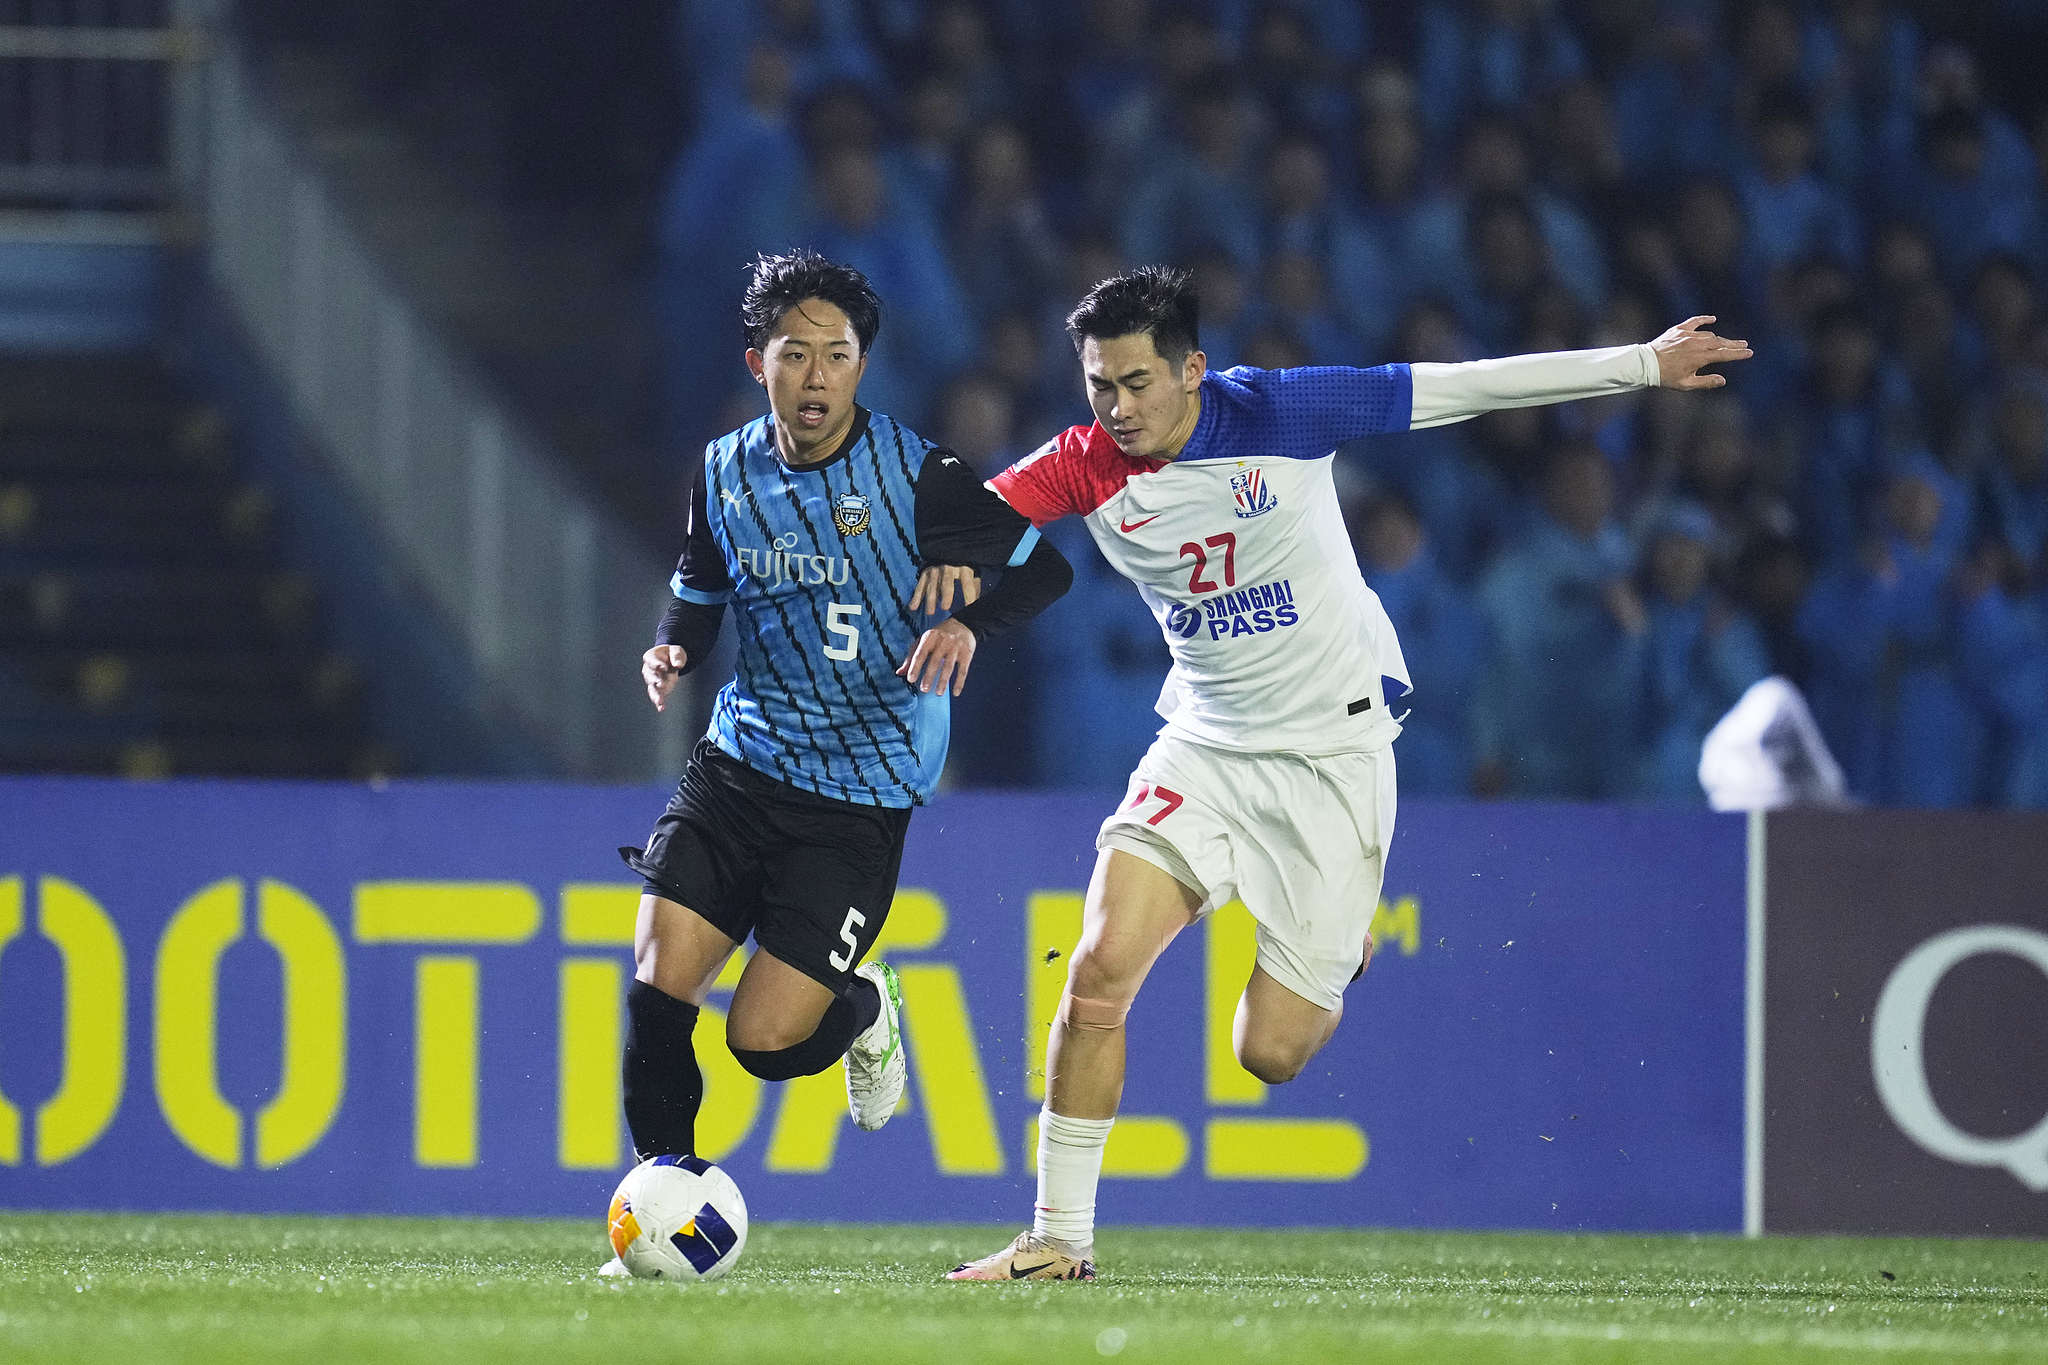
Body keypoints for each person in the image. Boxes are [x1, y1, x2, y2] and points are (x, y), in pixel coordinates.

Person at [947, 266, 1749, 1281]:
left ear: (1192, 370)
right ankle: (1058, 1239)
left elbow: (1466, 386)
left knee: (1267, 1053)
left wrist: (1640, 365)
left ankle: (1338, 941)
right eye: (1099, 386)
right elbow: (959, 524)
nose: (1117, 409)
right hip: (1203, 744)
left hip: (1331, 752)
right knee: (1097, 972)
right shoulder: (1083, 463)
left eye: (1138, 383)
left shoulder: (1282, 410)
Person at [605, 250, 1072, 1275]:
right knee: (656, 984)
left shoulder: (921, 478)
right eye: (793, 355)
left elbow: (1048, 571)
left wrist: (970, 628)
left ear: (862, 367)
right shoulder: (724, 470)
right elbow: (698, 579)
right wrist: (673, 642)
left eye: (835, 356)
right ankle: (661, 1201)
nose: (814, 377)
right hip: (738, 766)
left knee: (762, 1045)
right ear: (756, 361)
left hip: (855, 802)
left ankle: (863, 1005)